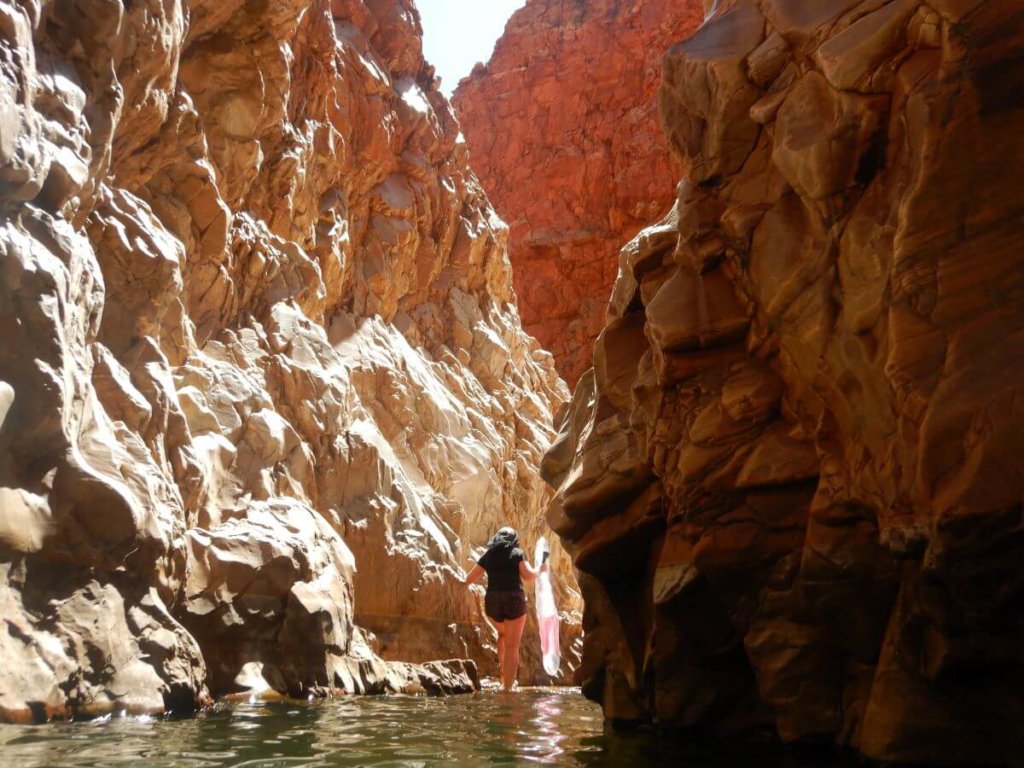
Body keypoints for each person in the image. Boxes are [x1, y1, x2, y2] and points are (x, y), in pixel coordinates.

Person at [464, 527, 548, 692]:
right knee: (512, 645)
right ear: (514, 540)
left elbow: (470, 578)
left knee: (503, 634)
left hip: (493, 601)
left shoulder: (489, 555)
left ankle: (503, 677)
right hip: (514, 599)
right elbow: (528, 576)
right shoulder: (517, 553)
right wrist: (541, 568)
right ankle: (508, 688)